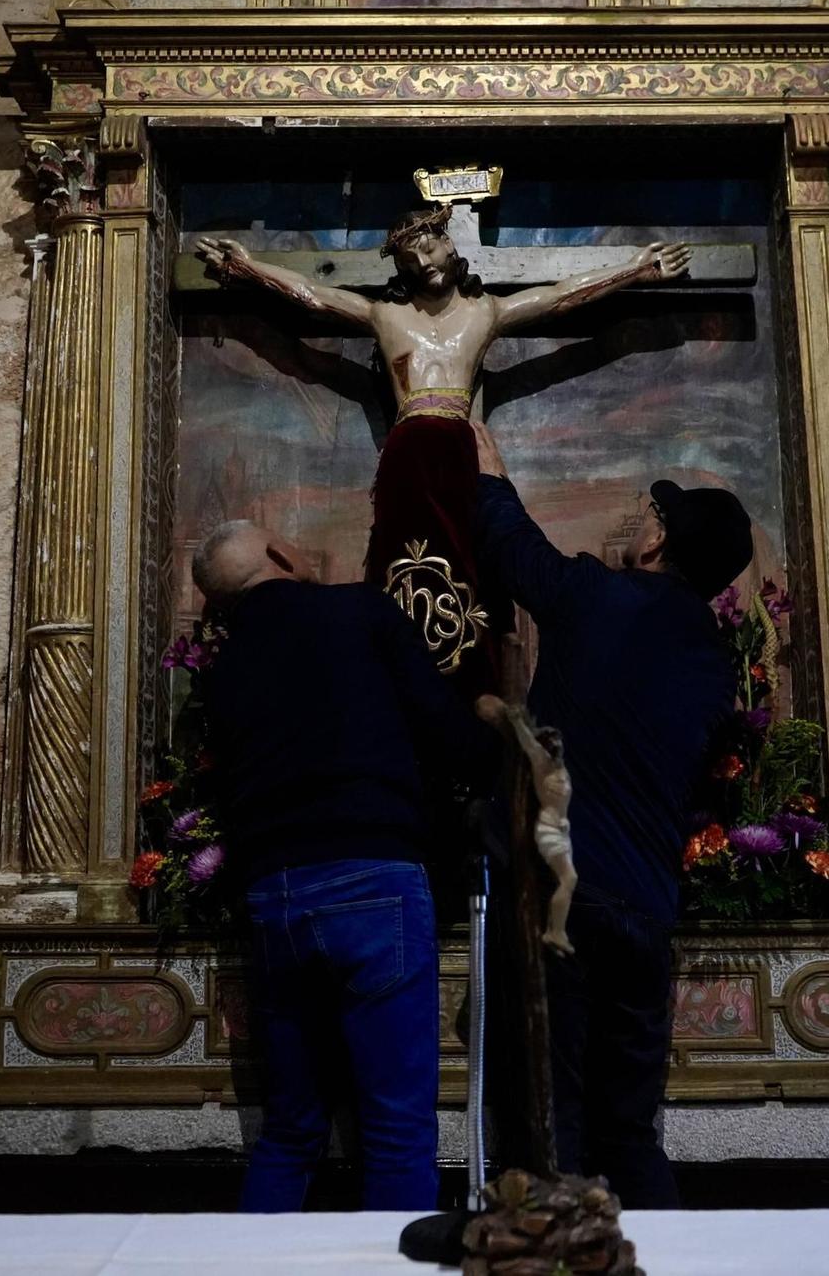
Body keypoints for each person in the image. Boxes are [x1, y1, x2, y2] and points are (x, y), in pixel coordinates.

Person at [196, 208, 688, 695]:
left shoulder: (486, 312)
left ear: (450, 244)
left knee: (473, 558)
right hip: (407, 451)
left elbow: (560, 298)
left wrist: (638, 269)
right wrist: (244, 268)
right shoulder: (385, 315)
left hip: (461, 447)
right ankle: (401, 662)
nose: (424, 264)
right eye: (410, 260)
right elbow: (314, 298)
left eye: (429, 249)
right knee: (400, 557)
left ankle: (471, 671)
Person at [471, 421, 752, 1208]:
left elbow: (518, 556)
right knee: (630, 1132)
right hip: (643, 913)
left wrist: (489, 479)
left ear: (660, 546)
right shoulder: (711, 657)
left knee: (551, 1123)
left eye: (654, 521)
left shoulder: (599, 598)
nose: (643, 529)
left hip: (564, 905)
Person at [191, 519, 496, 1212]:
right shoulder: (356, 609)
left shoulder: (227, 669)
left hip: (275, 896)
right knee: (394, 1132)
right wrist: (503, 745)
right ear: (278, 554)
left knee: (292, 1130)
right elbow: (447, 735)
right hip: (373, 879)